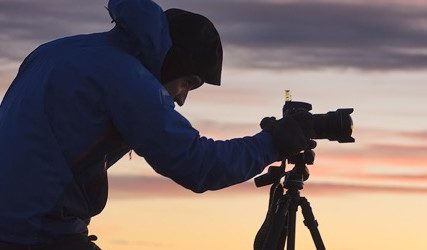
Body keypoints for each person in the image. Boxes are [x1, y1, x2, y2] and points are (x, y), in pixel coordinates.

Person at [0, 0, 314, 249]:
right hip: (36, 233)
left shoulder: (59, 50)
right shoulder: (126, 78)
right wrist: (272, 143)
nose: (181, 99)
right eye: (188, 83)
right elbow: (197, 165)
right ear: (172, 61)